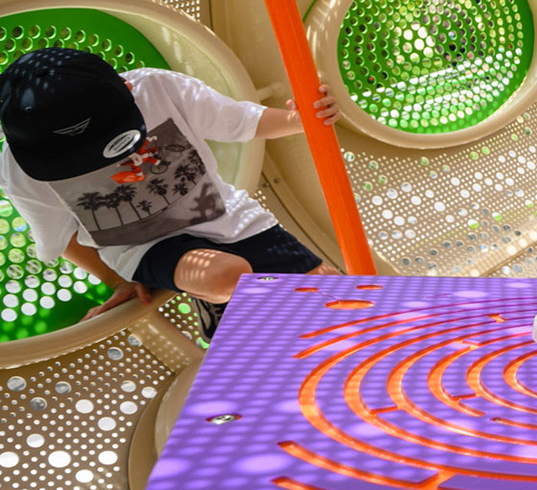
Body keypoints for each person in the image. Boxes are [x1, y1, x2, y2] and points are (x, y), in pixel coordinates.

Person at [0, 48, 344, 337]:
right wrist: (117, 279)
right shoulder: (21, 170)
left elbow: (241, 121)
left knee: (332, 295)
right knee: (227, 276)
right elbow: (62, 238)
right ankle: (217, 298)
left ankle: (222, 300)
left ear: (127, 87)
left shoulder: (157, 88)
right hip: (144, 248)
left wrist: (299, 120)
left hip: (226, 217)